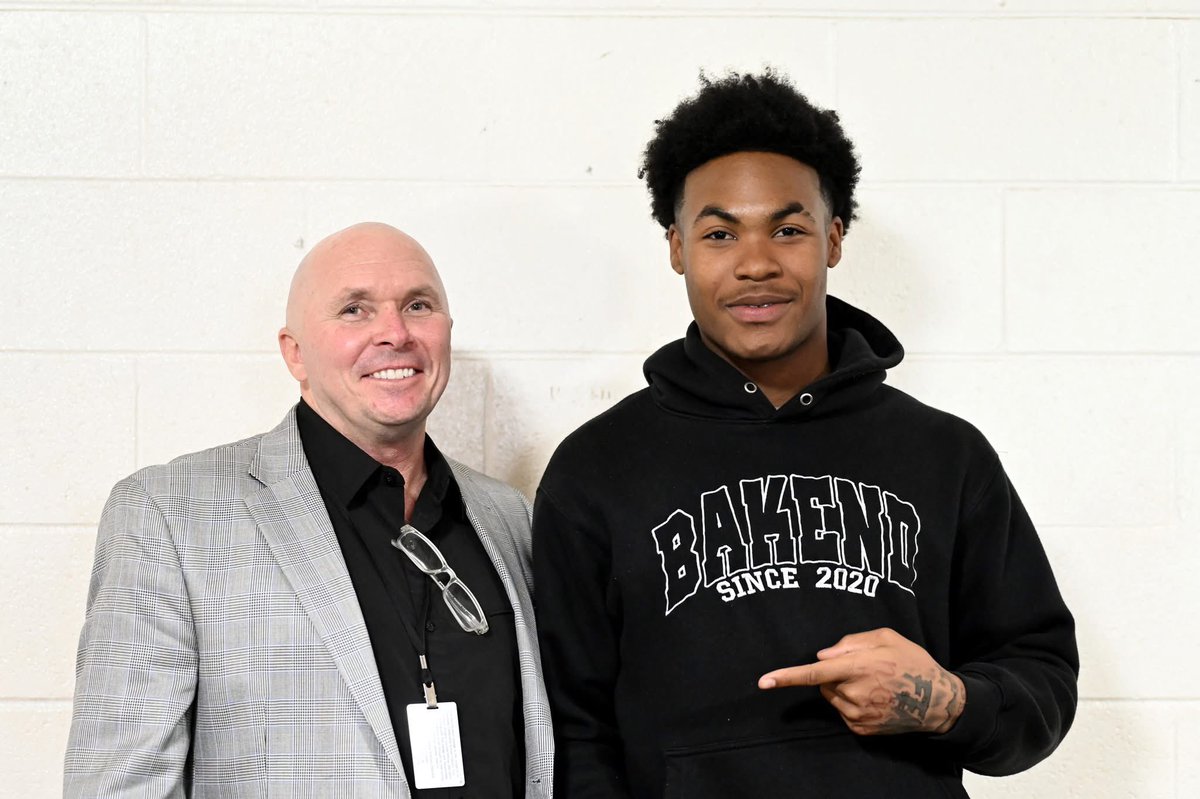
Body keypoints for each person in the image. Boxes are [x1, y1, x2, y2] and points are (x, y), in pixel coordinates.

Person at [532, 71, 1078, 798]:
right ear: (676, 247)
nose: (756, 263)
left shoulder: (946, 456)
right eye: (720, 232)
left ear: (834, 238)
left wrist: (945, 699)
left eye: (788, 229)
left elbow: (1042, 678)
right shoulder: (596, 468)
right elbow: (574, 731)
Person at [65, 222, 552, 798]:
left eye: (418, 305)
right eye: (354, 310)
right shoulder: (168, 514)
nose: (394, 332)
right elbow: (120, 785)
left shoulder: (507, 516)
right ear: (295, 354)